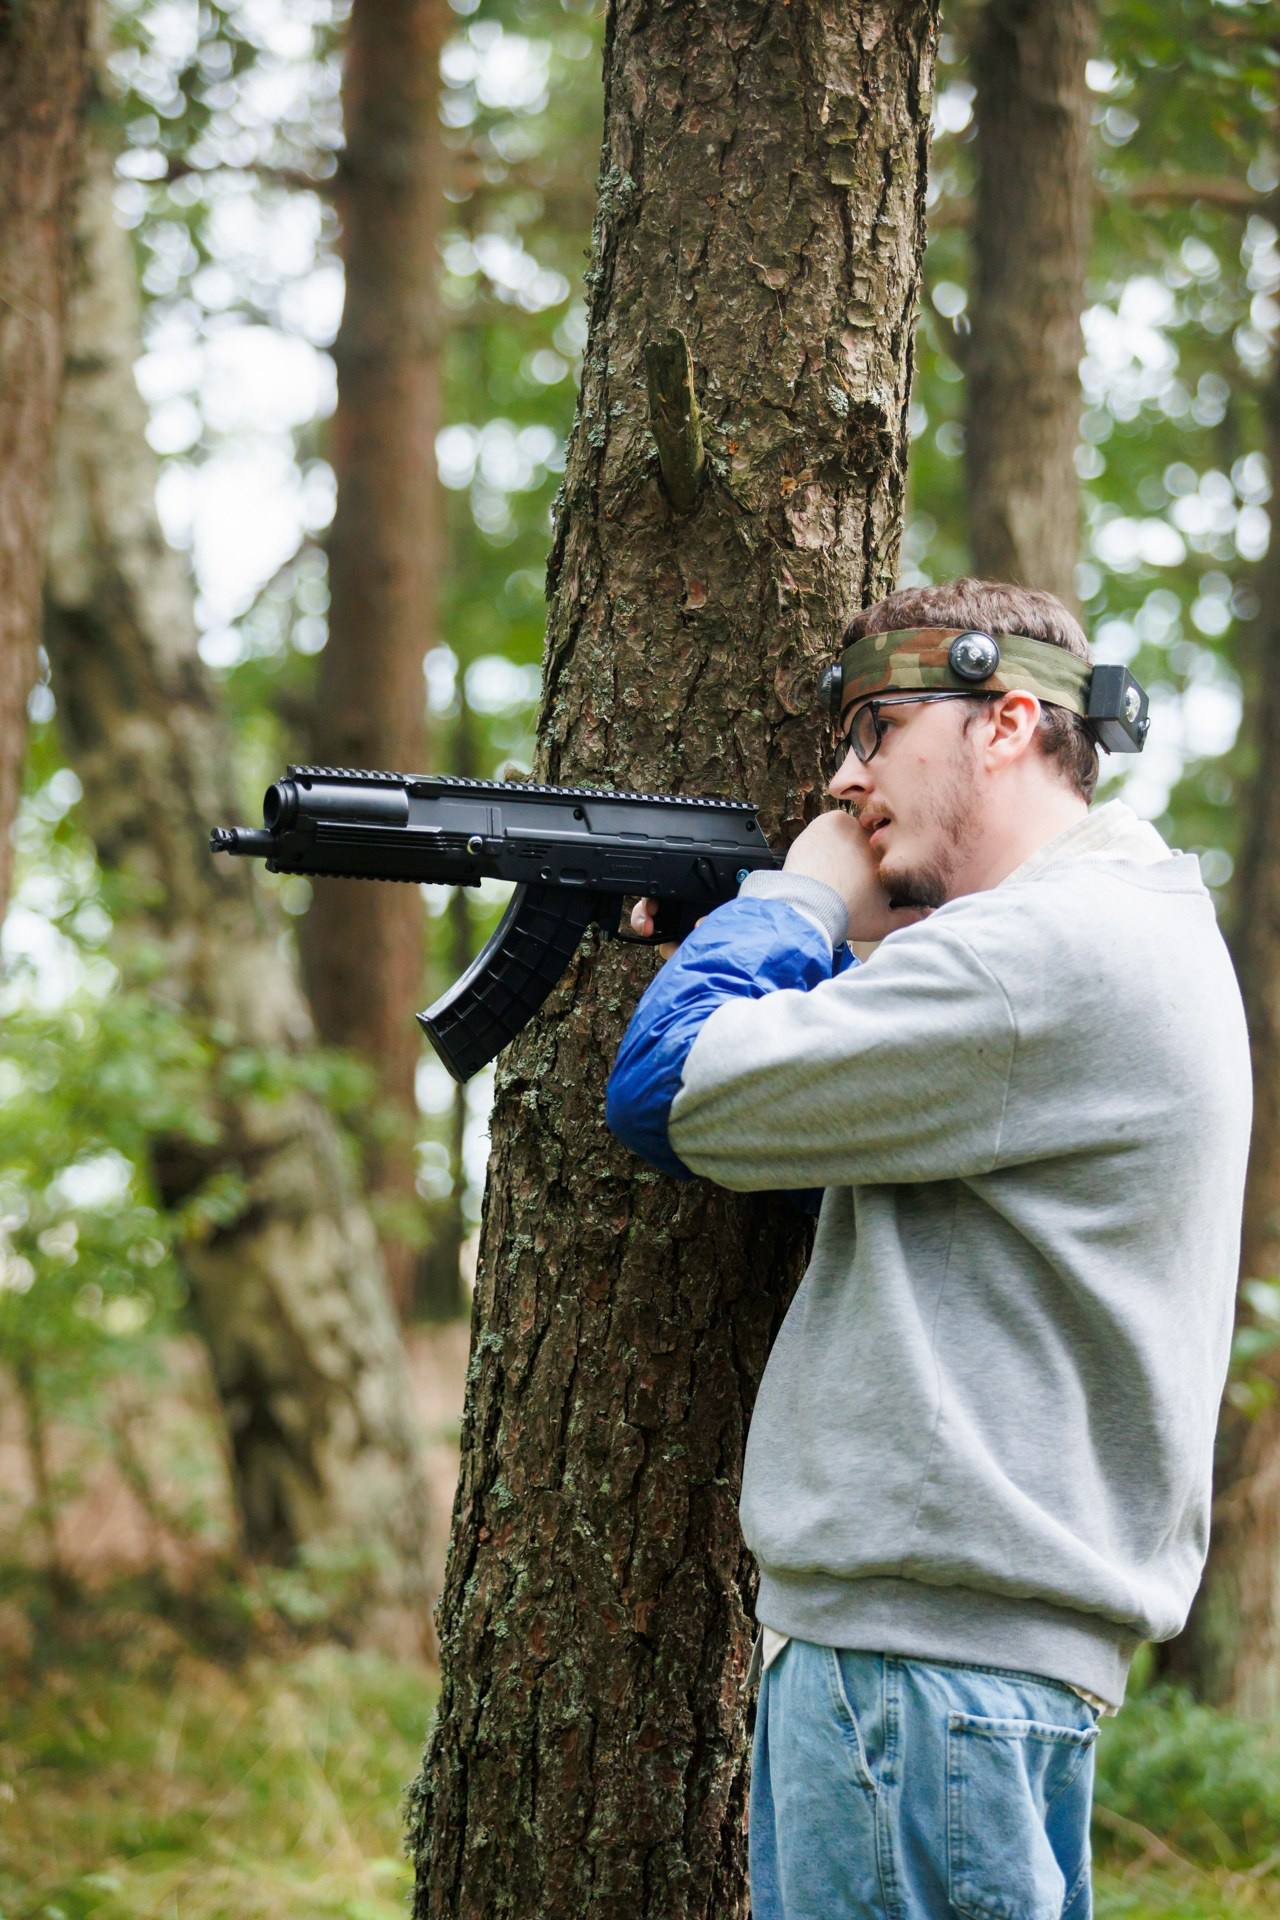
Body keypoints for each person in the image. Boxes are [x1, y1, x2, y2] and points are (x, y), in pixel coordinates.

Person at [604, 579, 1251, 1920]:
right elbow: (843, 1167)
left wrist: (793, 907)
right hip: (972, 1679)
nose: (845, 785)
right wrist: (770, 947)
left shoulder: (1039, 954)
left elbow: (670, 1092)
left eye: (875, 731)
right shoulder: (1117, 927)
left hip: (919, 1679)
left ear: (1008, 721)